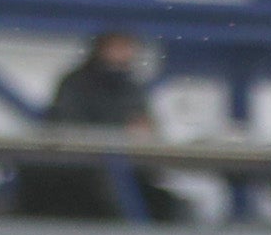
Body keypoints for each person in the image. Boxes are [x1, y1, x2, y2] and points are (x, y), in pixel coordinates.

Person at [18, 31, 183, 222]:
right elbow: (70, 128)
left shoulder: (131, 87)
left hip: (125, 173)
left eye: (126, 47)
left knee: (172, 206)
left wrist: (142, 134)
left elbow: (145, 127)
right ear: (100, 48)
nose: (123, 54)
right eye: (117, 47)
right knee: (115, 198)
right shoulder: (76, 84)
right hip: (77, 177)